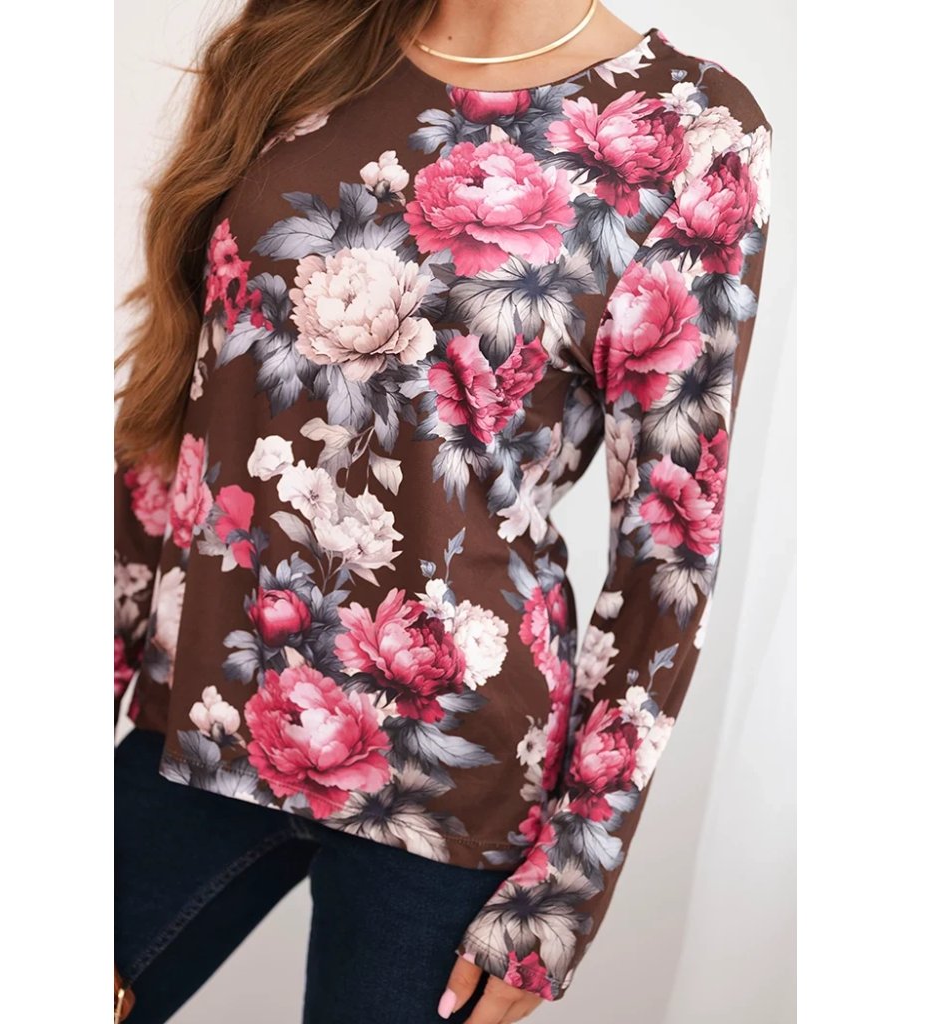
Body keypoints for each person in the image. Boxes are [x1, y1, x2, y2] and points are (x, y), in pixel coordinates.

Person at [113, 2, 774, 1022]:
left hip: (453, 761)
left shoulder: (691, 131)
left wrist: (565, 886)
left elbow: (668, 546)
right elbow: (183, 399)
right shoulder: (303, 36)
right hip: (200, 702)